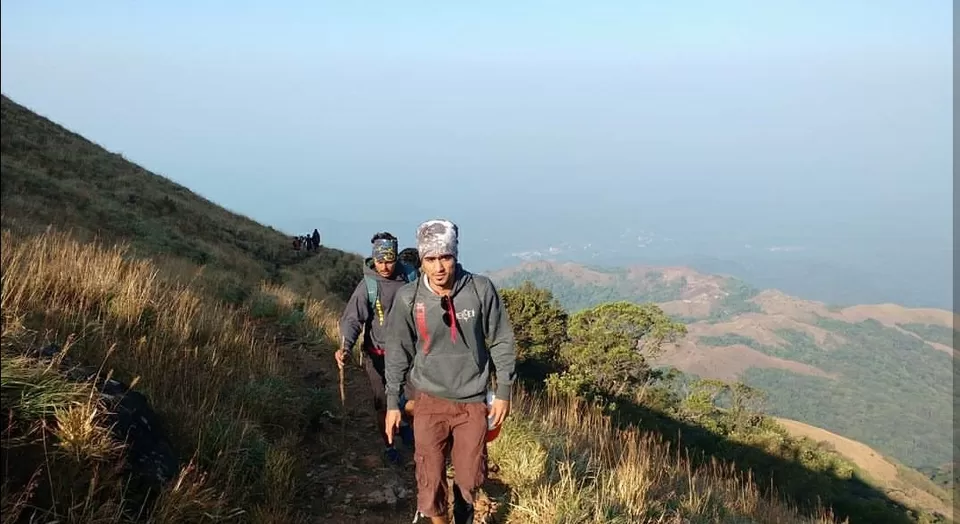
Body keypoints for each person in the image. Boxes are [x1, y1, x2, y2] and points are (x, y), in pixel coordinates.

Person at [384, 219, 517, 524]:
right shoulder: (409, 297)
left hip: (472, 400)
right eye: (430, 259)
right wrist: (393, 403)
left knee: (470, 479)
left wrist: (504, 392)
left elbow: (501, 340)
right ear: (421, 261)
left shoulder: (480, 289)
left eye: (446, 257)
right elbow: (397, 352)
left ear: (455, 255)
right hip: (428, 399)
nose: (439, 266)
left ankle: (464, 513)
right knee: (430, 482)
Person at [336, 232, 419, 464]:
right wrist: (346, 346)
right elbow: (353, 319)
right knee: (382, 402)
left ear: (397, 258)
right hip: (378, 355)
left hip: (409, 354)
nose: (384, 266)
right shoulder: (368, 286)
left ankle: (406, 427)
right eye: (380, 261)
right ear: (374, 259)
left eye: (389, 260)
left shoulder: (411, 278)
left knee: (412, 401)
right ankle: (390, 444)